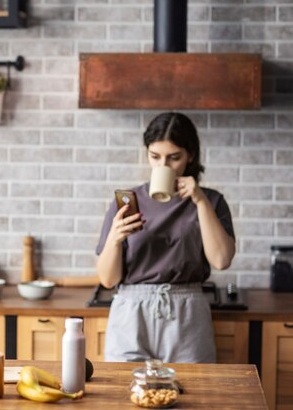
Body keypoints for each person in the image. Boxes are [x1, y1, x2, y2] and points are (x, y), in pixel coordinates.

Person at [95, 112, 236, 363]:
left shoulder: (211, 201)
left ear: (190, 155)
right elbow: (108, 279)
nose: (163, 166)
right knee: (125, 397)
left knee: (192, 397)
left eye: (174, 158)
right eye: (155, 156)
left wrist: (199, 200)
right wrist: (115, 239)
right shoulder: (128, 202)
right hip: (131, 314)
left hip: (187, 315)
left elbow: (221, 259)